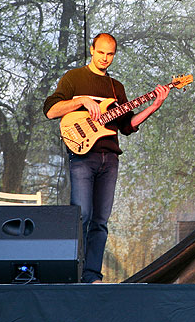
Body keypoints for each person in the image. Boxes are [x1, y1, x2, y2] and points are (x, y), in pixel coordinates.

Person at [44, 33, 170, 283]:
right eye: (101, 52)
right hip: (82, 156)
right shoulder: (74, 78)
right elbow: (50, 110)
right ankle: (71, 273)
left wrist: (154, 106)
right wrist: (79, 100)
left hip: (110, 158)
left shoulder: (116, 88)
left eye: (110, 54)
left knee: (101, 220)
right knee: (82, 215)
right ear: (92, 50)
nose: (105, 58)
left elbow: (127, 125)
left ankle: (92, 275)